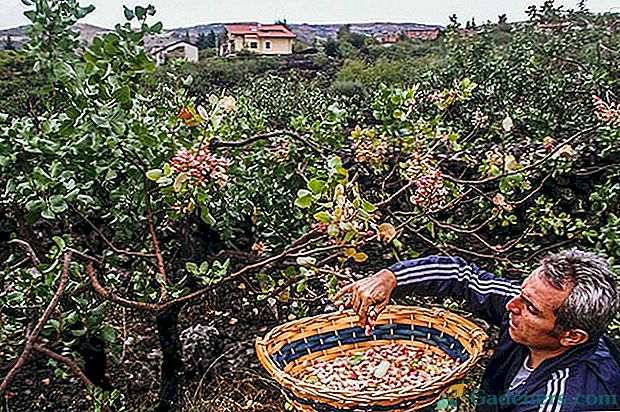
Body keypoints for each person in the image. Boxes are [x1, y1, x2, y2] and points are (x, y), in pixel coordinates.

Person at [334, 250, 620, 411]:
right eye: (521, 292)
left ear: (572, 336)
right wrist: (390, 278)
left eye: (530, 308)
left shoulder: (565, 400)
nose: (511, 305)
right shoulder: (530, 308)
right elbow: (463, 277)